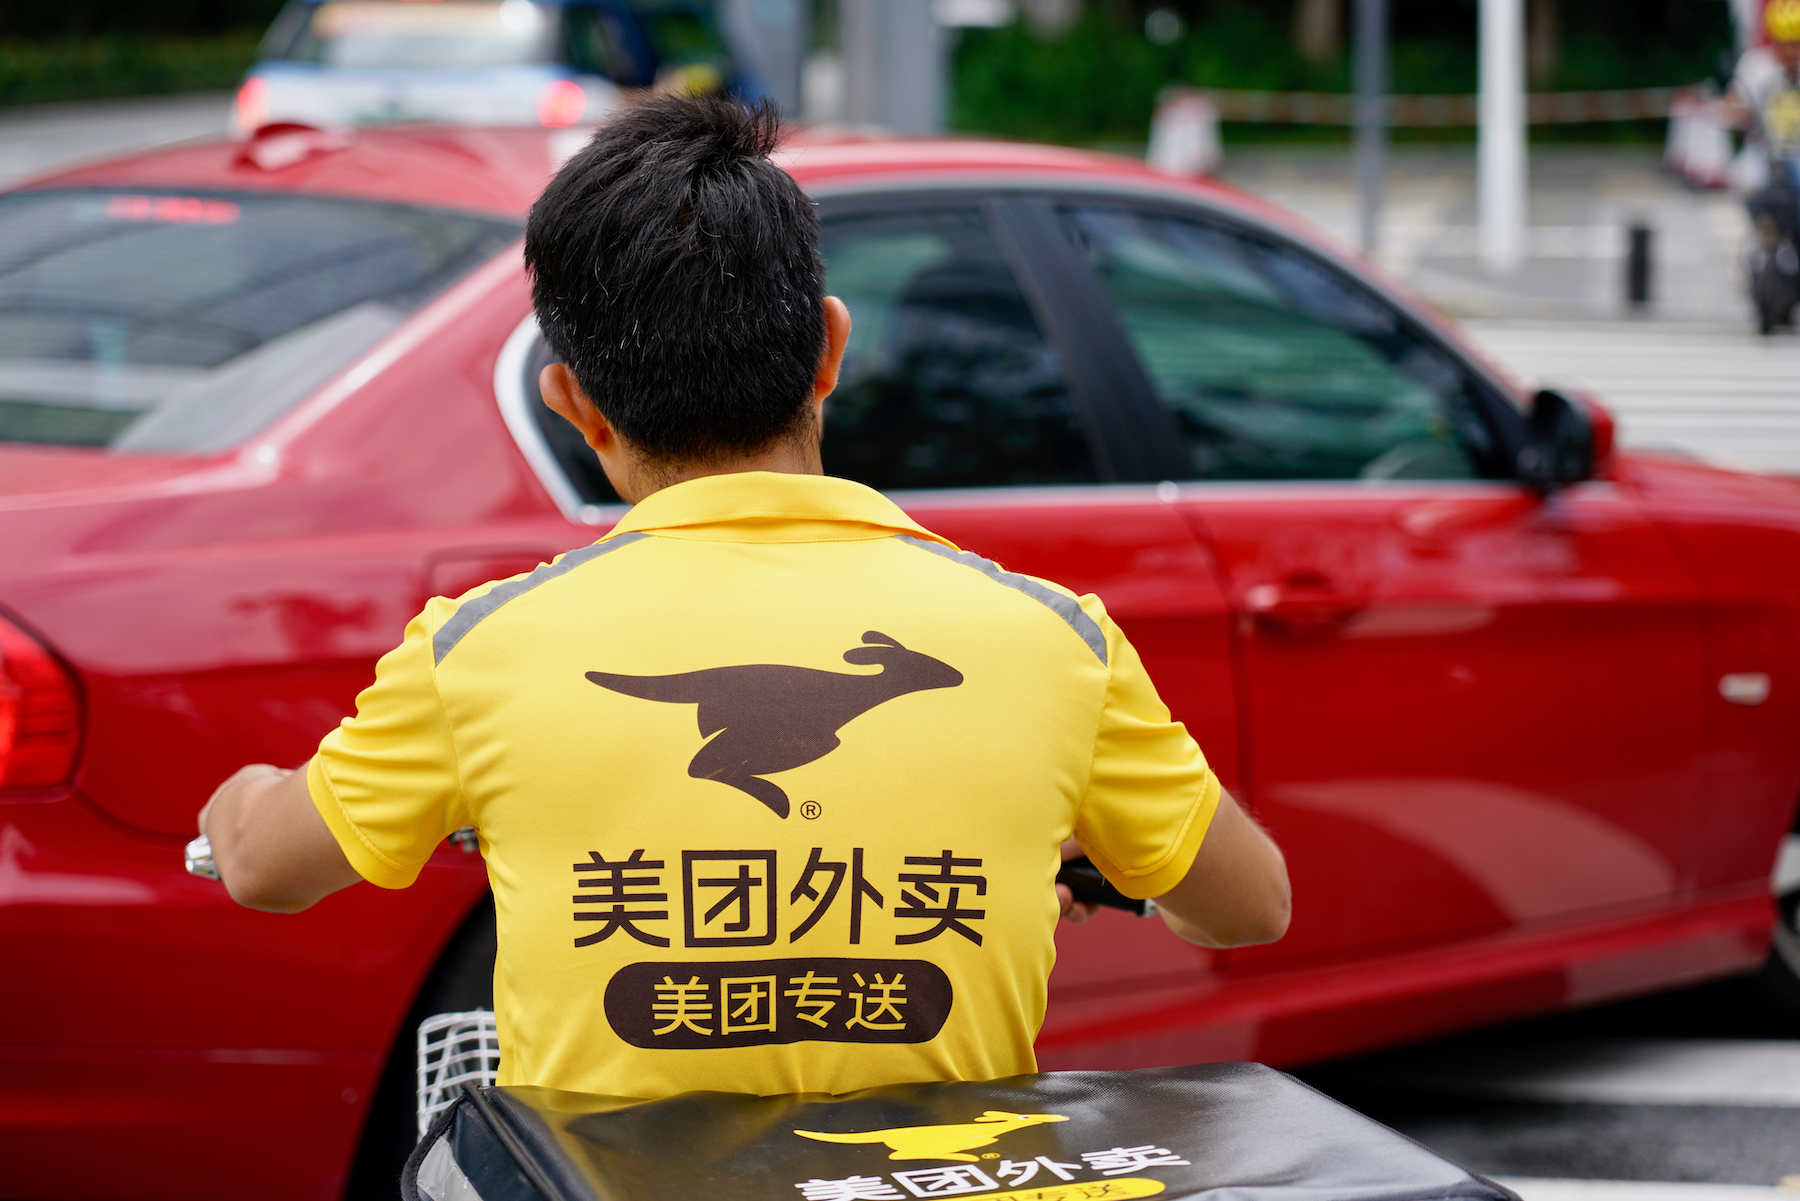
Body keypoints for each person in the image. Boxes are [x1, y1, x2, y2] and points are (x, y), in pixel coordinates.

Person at [197, 95, 1290, 1102]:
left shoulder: (484, 651)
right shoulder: (1053, 641)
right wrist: (1066, 854)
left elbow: (264, 869)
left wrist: (240, 796)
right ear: (829, 350)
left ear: (574, 402)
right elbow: (1251, 905)